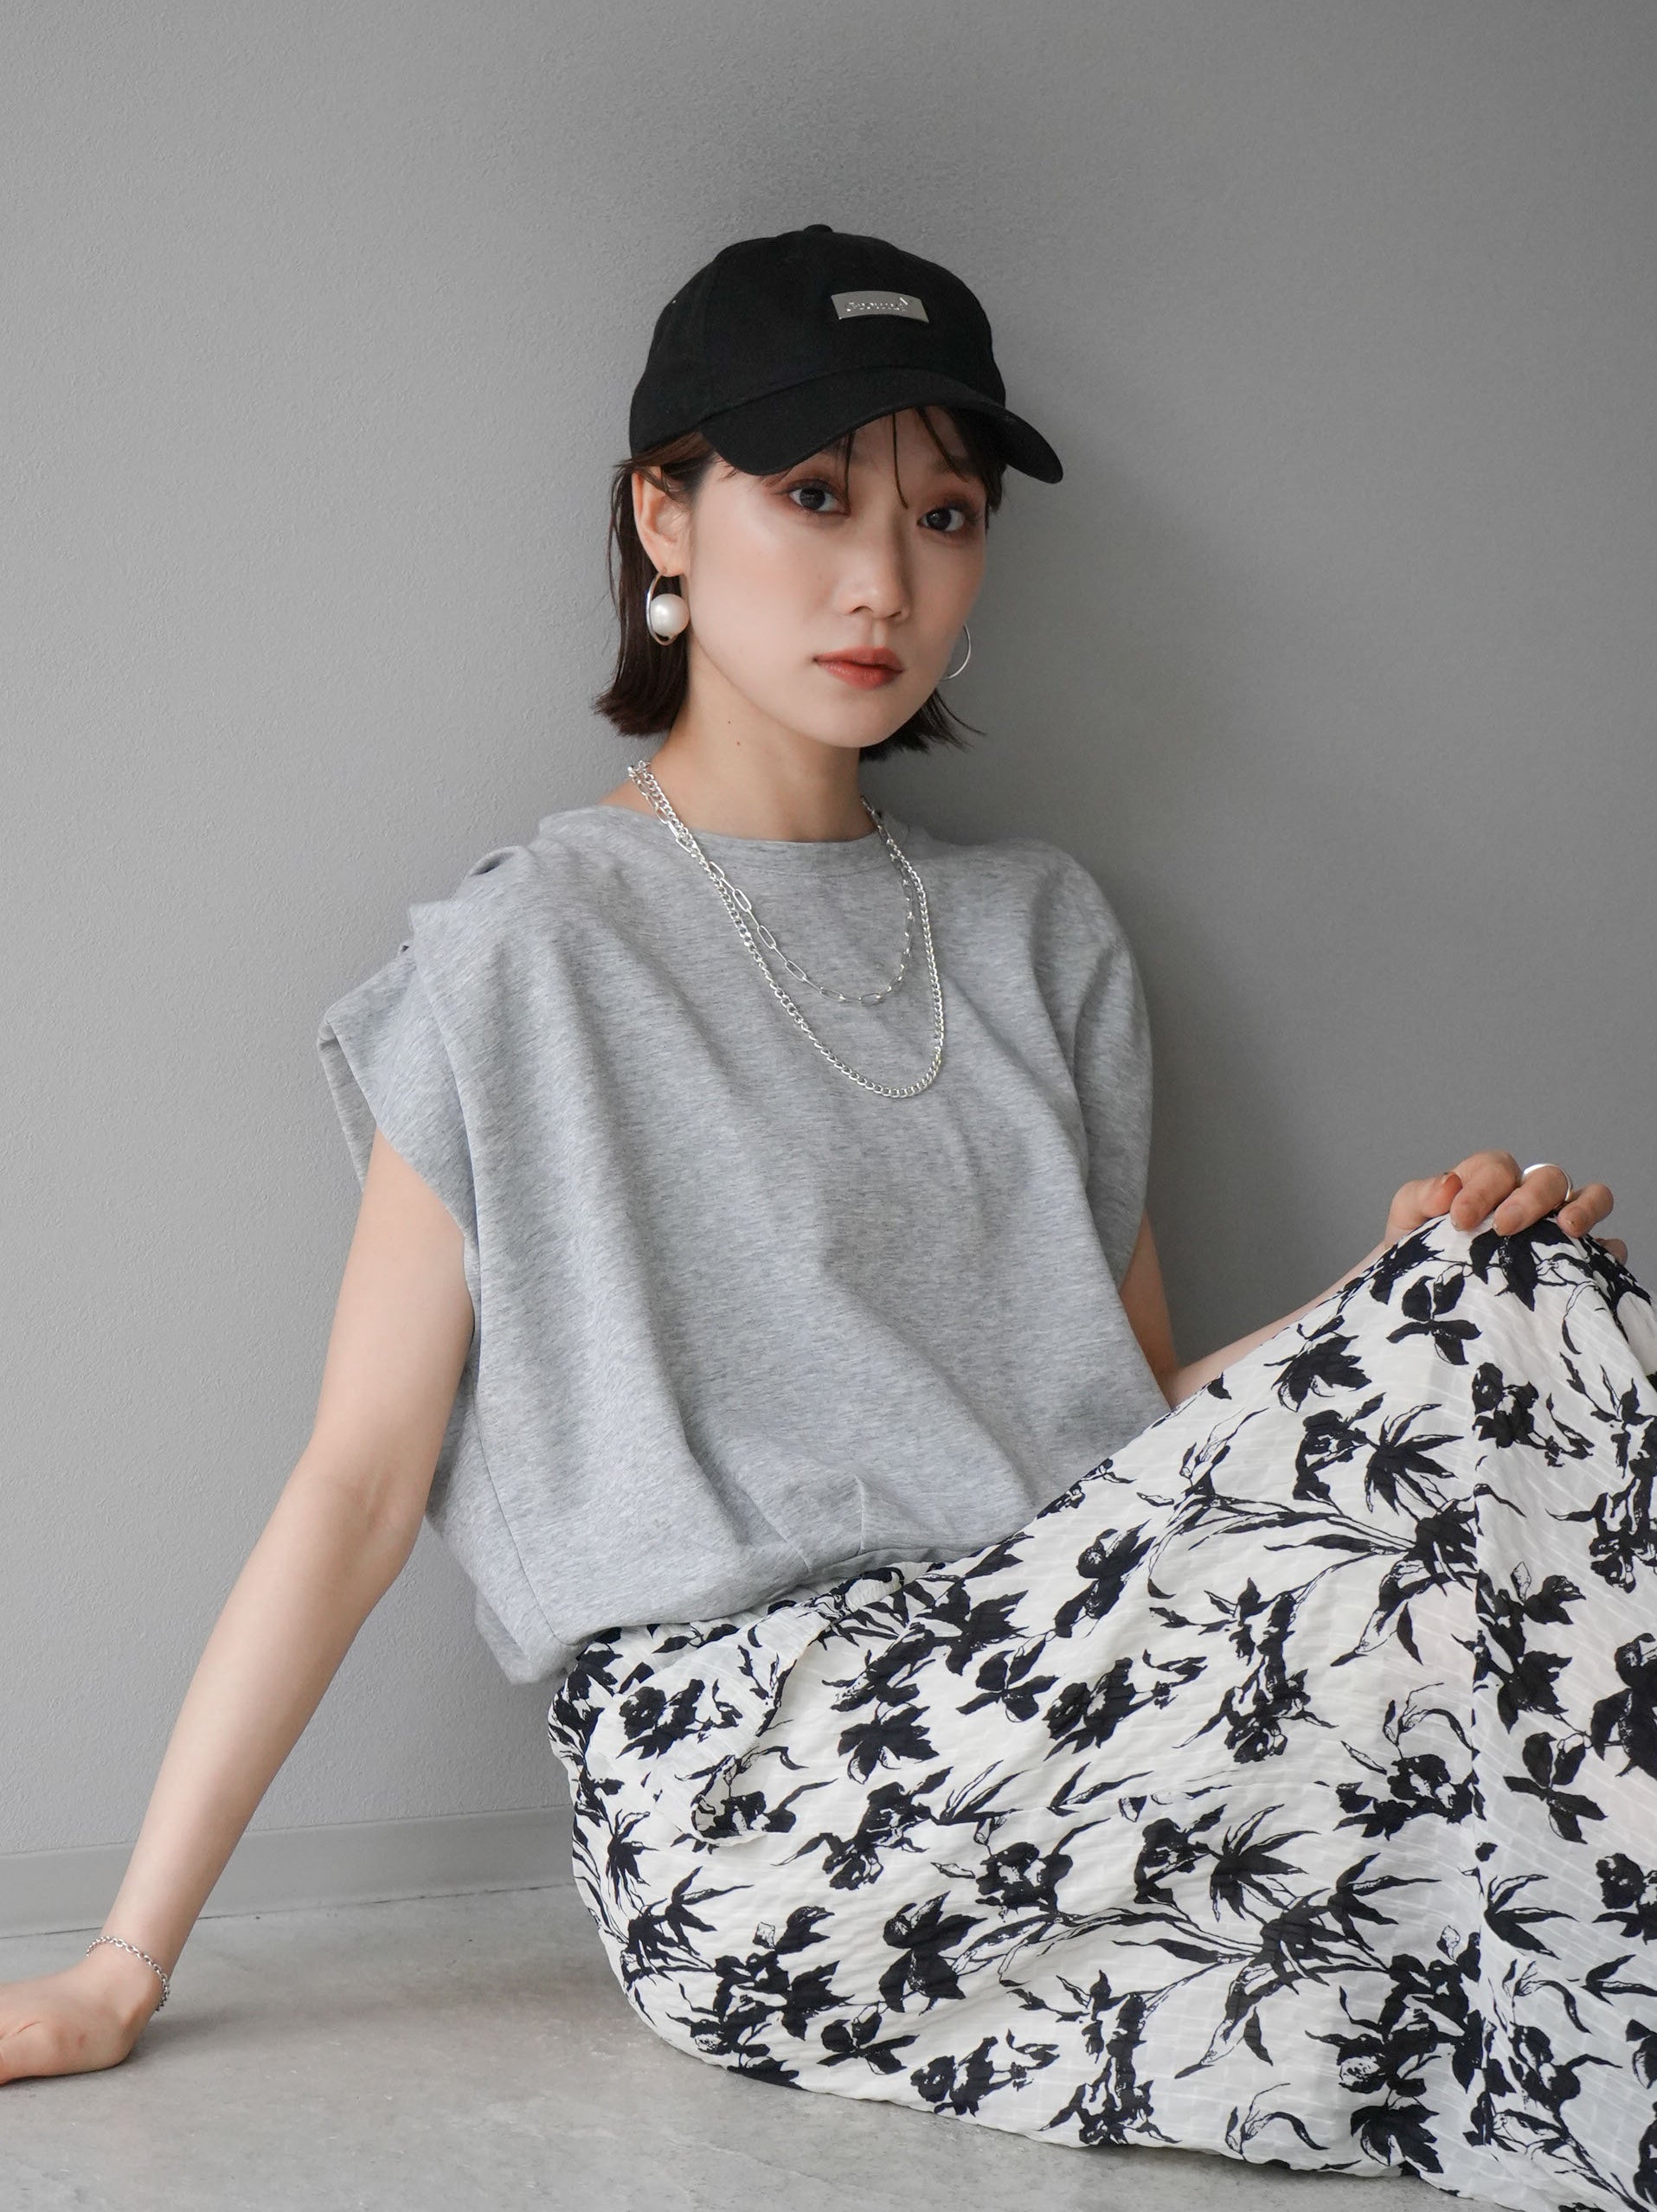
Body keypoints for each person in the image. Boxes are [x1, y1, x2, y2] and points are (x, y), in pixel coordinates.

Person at [1, 222, 1648, 2212]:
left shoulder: (1039, 930)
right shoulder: (525, 951)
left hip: (1061, 1678)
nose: (885, 580)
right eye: (810, 495)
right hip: (758, 1795)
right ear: (662, 515)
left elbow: (1126, 1436)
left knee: (1509, 1299)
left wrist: (1385, 1308)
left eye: (943, 516)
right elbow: (355, 1486)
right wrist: (123, 1960)